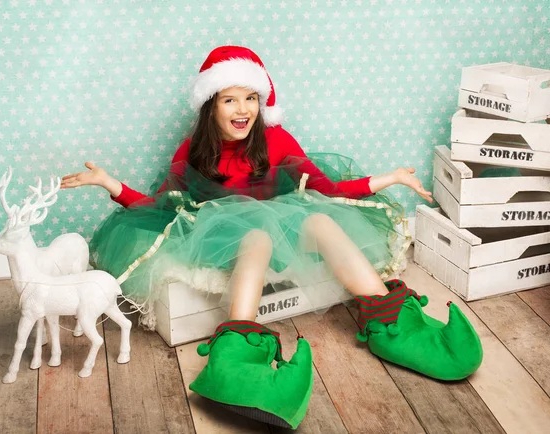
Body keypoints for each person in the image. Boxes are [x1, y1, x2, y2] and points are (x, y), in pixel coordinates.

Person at [62, 46, 482, 429]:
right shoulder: (191, 151)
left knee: (320, 221)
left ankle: (394, 328)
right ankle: (236, 353)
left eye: (250, 98)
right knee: (258, 235)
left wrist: (388, 178)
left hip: (283, 225)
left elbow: (327, 190)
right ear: (211, 106)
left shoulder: (276, 139)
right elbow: (160, 206)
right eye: (230, 99)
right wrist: (110, 184)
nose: (242, 109)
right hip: (222, 235)